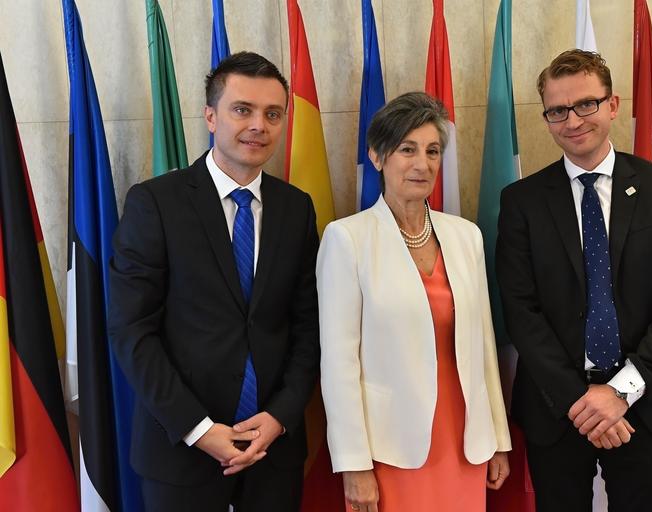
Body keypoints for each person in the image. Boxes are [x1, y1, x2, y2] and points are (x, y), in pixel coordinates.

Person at [108, 51, 320, 512]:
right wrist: (199, 429)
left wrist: (281, 416)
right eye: (242, 110)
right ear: (210, 116)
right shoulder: (155, 203)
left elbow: (308, 327)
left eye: (273, 114)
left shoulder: (296, 208)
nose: (258, 125)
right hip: (180, 450)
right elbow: (131, 330)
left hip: (273, 450)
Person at [495, 49, 652, 511]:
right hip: (557, 408)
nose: (573, 121)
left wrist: (620, 393)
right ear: (546, 118)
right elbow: (521, 313)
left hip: (644, 405)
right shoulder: (521, 201)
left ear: (613, 105)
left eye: (586, 104)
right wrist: (582, 402)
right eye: (558, 110)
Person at [317, 92, 512, 512]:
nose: (422, 164)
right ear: (377, 156)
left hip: (465, 440)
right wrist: (353, 464)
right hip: (390, 448)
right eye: (407, 149)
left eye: (432, 151)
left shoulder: (466, 236)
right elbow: (338, 363)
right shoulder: (347, 238)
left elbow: (484, 346)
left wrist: (498, 437)